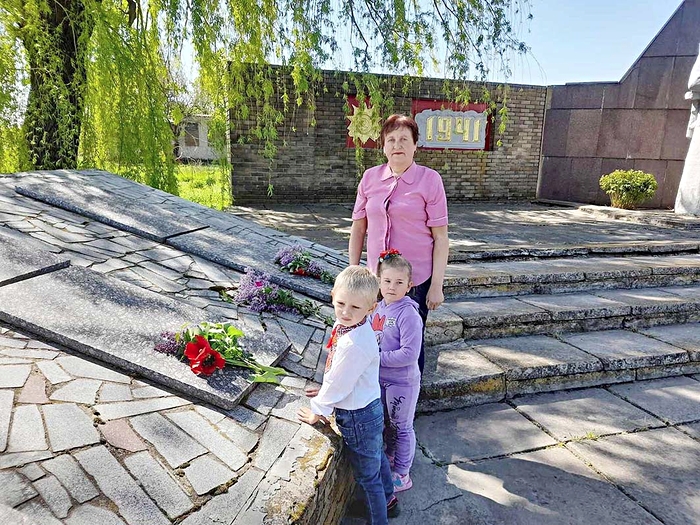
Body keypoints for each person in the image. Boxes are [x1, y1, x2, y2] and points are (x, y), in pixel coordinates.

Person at [297, 265, 398, 524]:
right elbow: (342, 373)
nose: (345, 312)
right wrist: (326, 387)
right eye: (341, 303)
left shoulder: (354, 343)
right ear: (333, 296)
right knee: (376, 457)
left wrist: (318, 410)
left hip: (357, 416)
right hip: (369, 406)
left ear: (371, 308)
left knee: (368, 477)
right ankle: (389, 499)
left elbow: (339, 385)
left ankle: (380, 518)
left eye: (355, 307)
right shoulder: (350, 326)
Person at [349, 114, 449, 373]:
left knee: (409, 343)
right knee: (371, 335)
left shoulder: (430, 180)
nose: (397, 145)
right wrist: (353, 270)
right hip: (376, 280)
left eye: (404, 139)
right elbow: (358, 227)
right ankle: (373, 392)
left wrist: (436, 286)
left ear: (415, 145)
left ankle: (408, 394)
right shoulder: (369, 178)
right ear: (383, 146)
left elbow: (441, 238)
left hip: (414, 282)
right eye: (391, 139)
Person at [371, 250, 422, 492]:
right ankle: (392, 457)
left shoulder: (408, 314)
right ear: (379, 281)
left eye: (399, 282)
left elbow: (410, 354)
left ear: (409, 285)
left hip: (402, 382)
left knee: (402, 426)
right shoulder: (378, 307)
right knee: (387, 423)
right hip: (379, 379)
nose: (392, 287)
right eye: (387, 281)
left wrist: (376, 358)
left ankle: (402, 473)